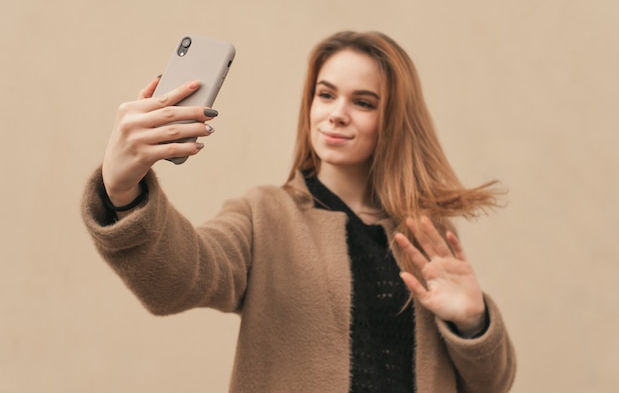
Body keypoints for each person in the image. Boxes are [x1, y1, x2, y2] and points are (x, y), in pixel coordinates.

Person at [82, 31, 516, 393]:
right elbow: (179, 280)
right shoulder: (265, 215)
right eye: (325, 95)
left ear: (394, 120)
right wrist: (122, 190)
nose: (337, 114)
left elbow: (493, 383)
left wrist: (473, 322)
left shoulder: (424, 234)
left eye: (363, 102)